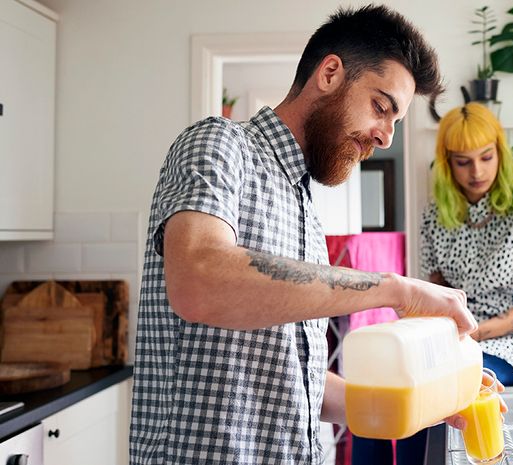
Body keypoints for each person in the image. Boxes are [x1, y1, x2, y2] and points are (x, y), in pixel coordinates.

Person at [129, 6, 482, 465]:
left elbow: (300, 382)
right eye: (381, 107)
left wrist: (433, 400)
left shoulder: (305, 212)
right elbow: (199, 281)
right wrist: (393, 289)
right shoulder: (219, 144)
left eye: (395, 121)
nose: (386, 137)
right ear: (331, 73)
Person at [420, 102, 513, 386]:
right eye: (463, 162)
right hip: (461, 341)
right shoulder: (433, 216)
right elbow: (440, 297)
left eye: (486, 157)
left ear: (500, 153)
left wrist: (474, 333)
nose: (477, 172)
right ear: (447, 163)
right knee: (391, 380)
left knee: (445, 380)